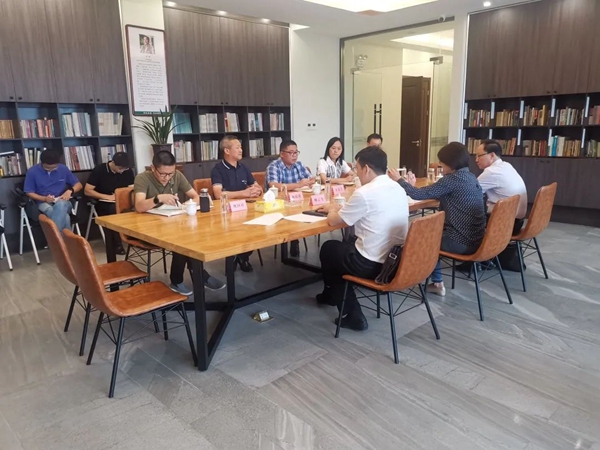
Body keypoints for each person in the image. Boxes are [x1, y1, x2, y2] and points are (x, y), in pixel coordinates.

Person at [316, 146, 409, 331]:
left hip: (372, 265)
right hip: (397, 260)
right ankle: (331, 295)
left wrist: (332, 209)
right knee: (341, 248)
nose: (356, 173)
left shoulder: (365, 192)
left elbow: (334, 221)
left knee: (329, 249)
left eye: (357, 168)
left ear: (366, 168)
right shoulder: (398, 187)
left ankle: (351, 314)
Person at [389, 142, 486, 297]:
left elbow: (418, 195)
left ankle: (412, 279)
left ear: (451, 163)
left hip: (460, 241)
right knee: (431, 235)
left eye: (442, 162)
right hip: (478, 239)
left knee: (421, 239)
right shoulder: (471, 177)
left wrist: (399, 180)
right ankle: (435, 281)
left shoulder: (452, 180)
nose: (440, 165)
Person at [134, 151, 225, 294]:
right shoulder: (142, 178)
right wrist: (158, 198)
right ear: (153, 168)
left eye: (170, 174)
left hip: (171, 222)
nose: (167, 178)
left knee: (189, 236)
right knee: (183, 240)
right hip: (149, 227)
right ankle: (197, 276)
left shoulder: (176, 176)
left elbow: (195, 196)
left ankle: (184, 279)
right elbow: (139, 206)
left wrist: (188, 204)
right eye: (163, 174)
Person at [211, 135, 263, 272]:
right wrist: (244, 193)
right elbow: (218, 194)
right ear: (227, 151)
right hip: (227, 212)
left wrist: (257, 190)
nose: (241, 150)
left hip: (247, 209)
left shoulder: (243, 167)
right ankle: (236, 255)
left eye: (241, 147)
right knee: (238, 230)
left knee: (259, 228)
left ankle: (242, 256)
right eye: (237, 147)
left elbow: (256, 186)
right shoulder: (218, 169)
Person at [266, 139, 315, 256]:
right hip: (279, 205)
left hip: (297, 203)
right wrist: (298, 185)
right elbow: (273, 185)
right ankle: (293, 239)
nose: (294, 156)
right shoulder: (274, 166)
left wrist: (308, 181)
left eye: (296, 152)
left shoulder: (299, 165)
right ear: (282, 154)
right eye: (291, 153)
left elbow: (312, 179)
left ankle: (294, 239)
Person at [84, 152, 134, 255]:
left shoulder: (127, 171)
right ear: (113, 163)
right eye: (120, 169)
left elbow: (131, 188)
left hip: (122, 201)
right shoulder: (100, 170)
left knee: (137, 207)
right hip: (104, 203)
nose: (122, 171)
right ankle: (117, 244)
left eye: (124, 169)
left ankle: (135, 238)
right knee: (114, 210)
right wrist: (107, 197)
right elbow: (87, 191)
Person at [475, 139, 527, 234]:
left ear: (492, 155)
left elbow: (469, 192)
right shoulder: (506, 165)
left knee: (464, 219)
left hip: (503, 224)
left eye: (479, 155)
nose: (476, 160)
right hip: (517, 222)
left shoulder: (491, 172)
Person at [24, 149, 82, 233]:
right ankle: (65, 240)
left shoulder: (63, 169)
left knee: (61, 204)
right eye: (47, 168)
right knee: (65, 217)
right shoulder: (32, 172)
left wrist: (70, 191)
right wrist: (44, 198)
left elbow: (79, 185)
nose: (50, 170)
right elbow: (29, 192)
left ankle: (54, 239)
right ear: (42, 163)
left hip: (62, 200)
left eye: (54, 168)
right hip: (43, 202)